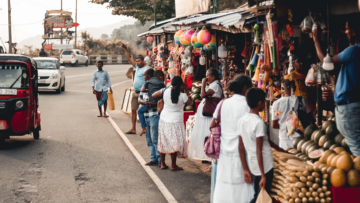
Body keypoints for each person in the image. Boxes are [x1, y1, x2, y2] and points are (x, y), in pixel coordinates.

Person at [312, 18, 360, 156]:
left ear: (354, 32)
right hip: (352, 105)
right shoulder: (354, 52)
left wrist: (316, 42)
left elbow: (326, 63)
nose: (345, 32)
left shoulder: (353, 51)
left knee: (356, 147)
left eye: (347, 29)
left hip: (349, 108)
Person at [212, 75, 254, 203]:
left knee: (225, 184)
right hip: (244, 152)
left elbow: (212, 124)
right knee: (244, 185)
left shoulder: (223, 103)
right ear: (246, 88)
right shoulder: (248, 104)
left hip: (225, 151)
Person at [238, 88, 274, 203]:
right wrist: (263, 175)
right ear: (260, 103)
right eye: (264, 101)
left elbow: (241, 147)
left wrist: (245, 168)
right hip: (265, 165)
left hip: (253, 165)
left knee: (259, 196)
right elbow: (259, 150)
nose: (264, 104)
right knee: (262, 198)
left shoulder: (242, 120)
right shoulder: (259, 123)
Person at [152, 76, 193, 170]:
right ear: (181, 85)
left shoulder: (165, 91)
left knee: (163, 140)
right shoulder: (183, 96)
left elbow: (154, 94)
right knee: (174, 142)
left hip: (164, 119)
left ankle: (162, 163)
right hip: (176, 121)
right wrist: (187, 91)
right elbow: (190, 103)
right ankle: (173, 165)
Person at [187, 68, 223, 162]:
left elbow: (203, 95)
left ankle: (209, 157)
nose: (206, 78)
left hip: (209, 115)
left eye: (207, 76)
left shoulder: (215, 85)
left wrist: (203, 83)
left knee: (208, 133)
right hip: (206, 115)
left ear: (213, 77)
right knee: (204, 134)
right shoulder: (213, 85)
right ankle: (206, 155)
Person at [272, 79, 311, 150]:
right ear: (295, 88)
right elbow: (309, 116)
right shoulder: (301, 100)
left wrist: (284, 126)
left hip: (284, 137)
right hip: (299, 136)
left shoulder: (276, 103)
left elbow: (274, 125)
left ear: (283, 89)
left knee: (286, 159)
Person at [122, 44, 147, 134]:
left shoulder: (145, 70)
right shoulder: (136, 67)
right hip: (135, 92)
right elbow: (129, 57)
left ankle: (145, 128)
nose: (137, 62)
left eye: (139, 61)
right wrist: (125, 48)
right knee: (133, 111)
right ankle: (133, 128)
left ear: (143, 61)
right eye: (136, 61)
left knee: (144, 111)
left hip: (143, 94)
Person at [138, 69, 165, 136]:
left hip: (154, 114)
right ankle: (144, 128)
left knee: (139, 111)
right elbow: (164, 92)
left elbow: (142, 90)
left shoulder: (147, 82)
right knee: (150, 138)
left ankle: (143, 127)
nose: (144, 77)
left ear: (149, 75)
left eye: (144, 75)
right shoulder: (161, 83)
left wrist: (148, 91)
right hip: (155, 105)